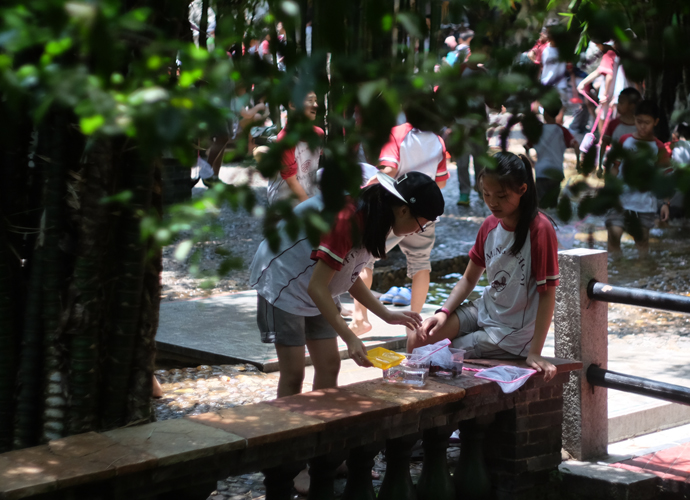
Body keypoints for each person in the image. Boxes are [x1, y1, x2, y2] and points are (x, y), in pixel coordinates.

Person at [249, 171, 445, 398]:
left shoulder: (378, 216)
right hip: (283, 282)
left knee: (329, 365)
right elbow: (317, 288)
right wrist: (350, 337)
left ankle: (319, 417)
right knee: (293, 374)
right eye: (421, 225)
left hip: (316, 283)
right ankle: (288, 421)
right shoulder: (348, 219)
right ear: (403, 210)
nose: (418, 231)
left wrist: (386, 314)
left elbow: (348, 274)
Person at [411, 152, 558, 382]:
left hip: (511, 333)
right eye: (486, 194)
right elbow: (469, 279)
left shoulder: (540, 229)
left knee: (437, 354)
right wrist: (443, 313)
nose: (492, 202)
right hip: (485, 309)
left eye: (501, 195)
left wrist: (535, 352)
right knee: (418, 339)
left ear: (522, 189)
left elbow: (548, 294)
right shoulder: (489, 225)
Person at [349, 93, 449, 336]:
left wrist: (364, 189)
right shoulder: (438, 141)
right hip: (424, 215)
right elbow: (441, 182)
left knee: (365, 258)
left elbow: (389, 169)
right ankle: (414, 324)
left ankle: (360, 319)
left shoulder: (397, 133)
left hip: (396, 210)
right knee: (421, 264)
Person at [605, 100, 671, 255]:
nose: (642, 126)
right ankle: (616, 268)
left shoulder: (659, 148)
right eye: (639, 121)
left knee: (642, 243)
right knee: (613, 235)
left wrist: (665, 203)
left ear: (656, 122)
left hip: (645, 205)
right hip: (620, 201)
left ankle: (641, 270)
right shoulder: (625, 140)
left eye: (647, 123)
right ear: (634, 118)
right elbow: (614, 168)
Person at [267, 90, 323, 206]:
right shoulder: (285, 140)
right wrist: (310, 206)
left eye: (316, 101)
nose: (316, 105)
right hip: (285, 197)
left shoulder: (319, 134)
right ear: (293, 105)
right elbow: (291, 181)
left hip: (308, 191)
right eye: (310, 101)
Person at [524, 98, 579, 208]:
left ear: (544, 113)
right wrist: (577, 164)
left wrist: (531, 161)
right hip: (556, 174)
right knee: (553, 205)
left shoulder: (537, 130)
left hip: (541, 172)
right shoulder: (562, 130)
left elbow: (526, 147)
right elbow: (576, 145)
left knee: (540, 206)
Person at [599, 87, 642, 165]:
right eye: (618, 102)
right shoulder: (613, 124)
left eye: (621, 103)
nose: (618, 105)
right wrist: (600, 165)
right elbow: (604, 143)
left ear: (632, 106)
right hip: (615, 166)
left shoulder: (641, 126)